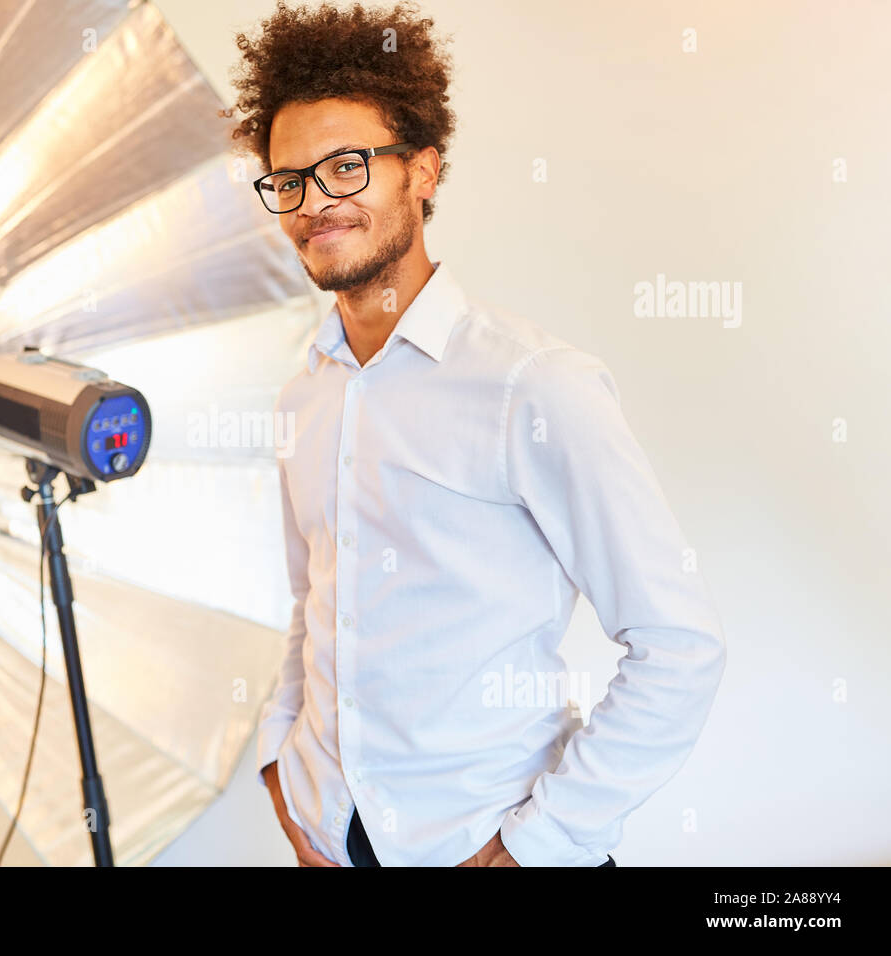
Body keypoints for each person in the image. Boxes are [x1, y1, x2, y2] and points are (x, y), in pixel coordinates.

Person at [224, 1, 727, 867]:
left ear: (422, 171)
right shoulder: (303, 396)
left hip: (487, 838)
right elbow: (316, 604)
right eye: (289, 180)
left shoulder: (534, 384)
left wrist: (540, 844)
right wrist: (282, 769)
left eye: (347, 167)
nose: (315, 203)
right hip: (334, 835)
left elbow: (680, 647)